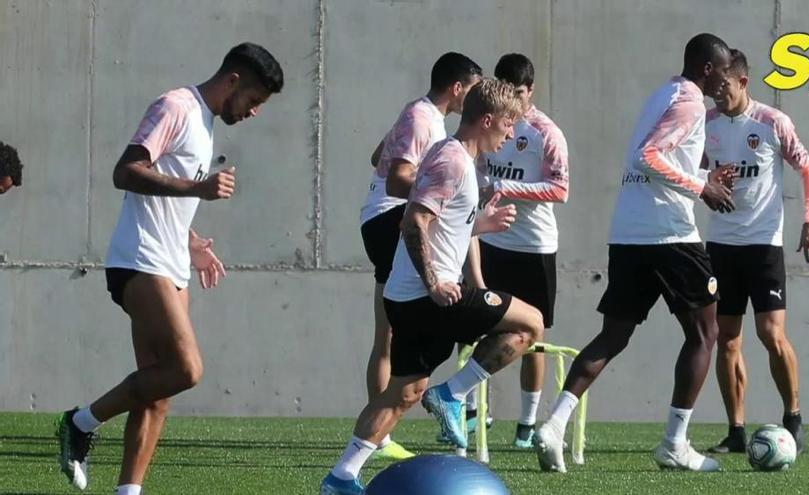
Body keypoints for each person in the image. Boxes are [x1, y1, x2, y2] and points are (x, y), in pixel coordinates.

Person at [55, 42, 284, 495]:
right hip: (139, 259)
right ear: (233, 81)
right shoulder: (176, 106)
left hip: (171, 260)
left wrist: (191, 242)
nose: (254, 112)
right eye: (254, 100)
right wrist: (195, 188)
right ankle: (79, 422)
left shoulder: (205, 124)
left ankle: (128, 492)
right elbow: (126, 171)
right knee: (187, 369)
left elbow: (162, 203)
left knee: (156, 393)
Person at [321, 79, 543, 495]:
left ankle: (340, 477)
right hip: (431, 296)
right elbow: (413, 221)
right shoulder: (453, 161)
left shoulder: (457, 159)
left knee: (403, 393)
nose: (511, 135)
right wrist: (436, 282)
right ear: (488, 120)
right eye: (508, 125)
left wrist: (481, 225)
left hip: (411, 298)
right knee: (531, 323)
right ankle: (453, 394)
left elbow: (442, 223)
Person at [533, 33, 734, 473]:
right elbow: (648, 156)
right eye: (722, 70)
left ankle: (553, 424)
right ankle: (674, 445)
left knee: (614, 335)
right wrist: (703, 186)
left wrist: (702, 173)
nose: (725, 79)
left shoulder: (664, 93)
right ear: (706, 68)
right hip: (669, 235)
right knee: (705, 333)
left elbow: (661, 156)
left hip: (629, 233)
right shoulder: (691, 102)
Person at [358, 52, 482, 459]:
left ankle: (380, 433)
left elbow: (380, 157)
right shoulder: (423, 118)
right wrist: (439, 191)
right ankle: (384, 432)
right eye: (475, 90)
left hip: (388, 218)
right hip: (388, 219)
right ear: (458, 88)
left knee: (388, 333)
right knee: (393, 332)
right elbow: (394, 177)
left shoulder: (423, 117)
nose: (478, 100)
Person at [704, 49, 809, 455]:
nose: (717, 94)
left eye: (724, 86)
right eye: (712, 87)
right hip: (721, 245)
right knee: (727, 340)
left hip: (763, 245)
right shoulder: (706, 125)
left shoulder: (772, 122)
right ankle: (735, 430)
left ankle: (793, 417)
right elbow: (694, 169)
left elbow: (807, 167)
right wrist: (706, 182)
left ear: (743, 82)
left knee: (771, 334)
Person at [472, 53, 570, 448]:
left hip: (533, 247)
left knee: (534, 336)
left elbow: (560, 189)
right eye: (506, 92)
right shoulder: (492, 123)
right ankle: (475, 411)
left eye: (519, 94)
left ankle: (526, 426)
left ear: (531, 90)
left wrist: (506, 189)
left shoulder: (546, 133)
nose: (513, 101)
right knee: (476, 326)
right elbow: (478, 167)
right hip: (493, 241)